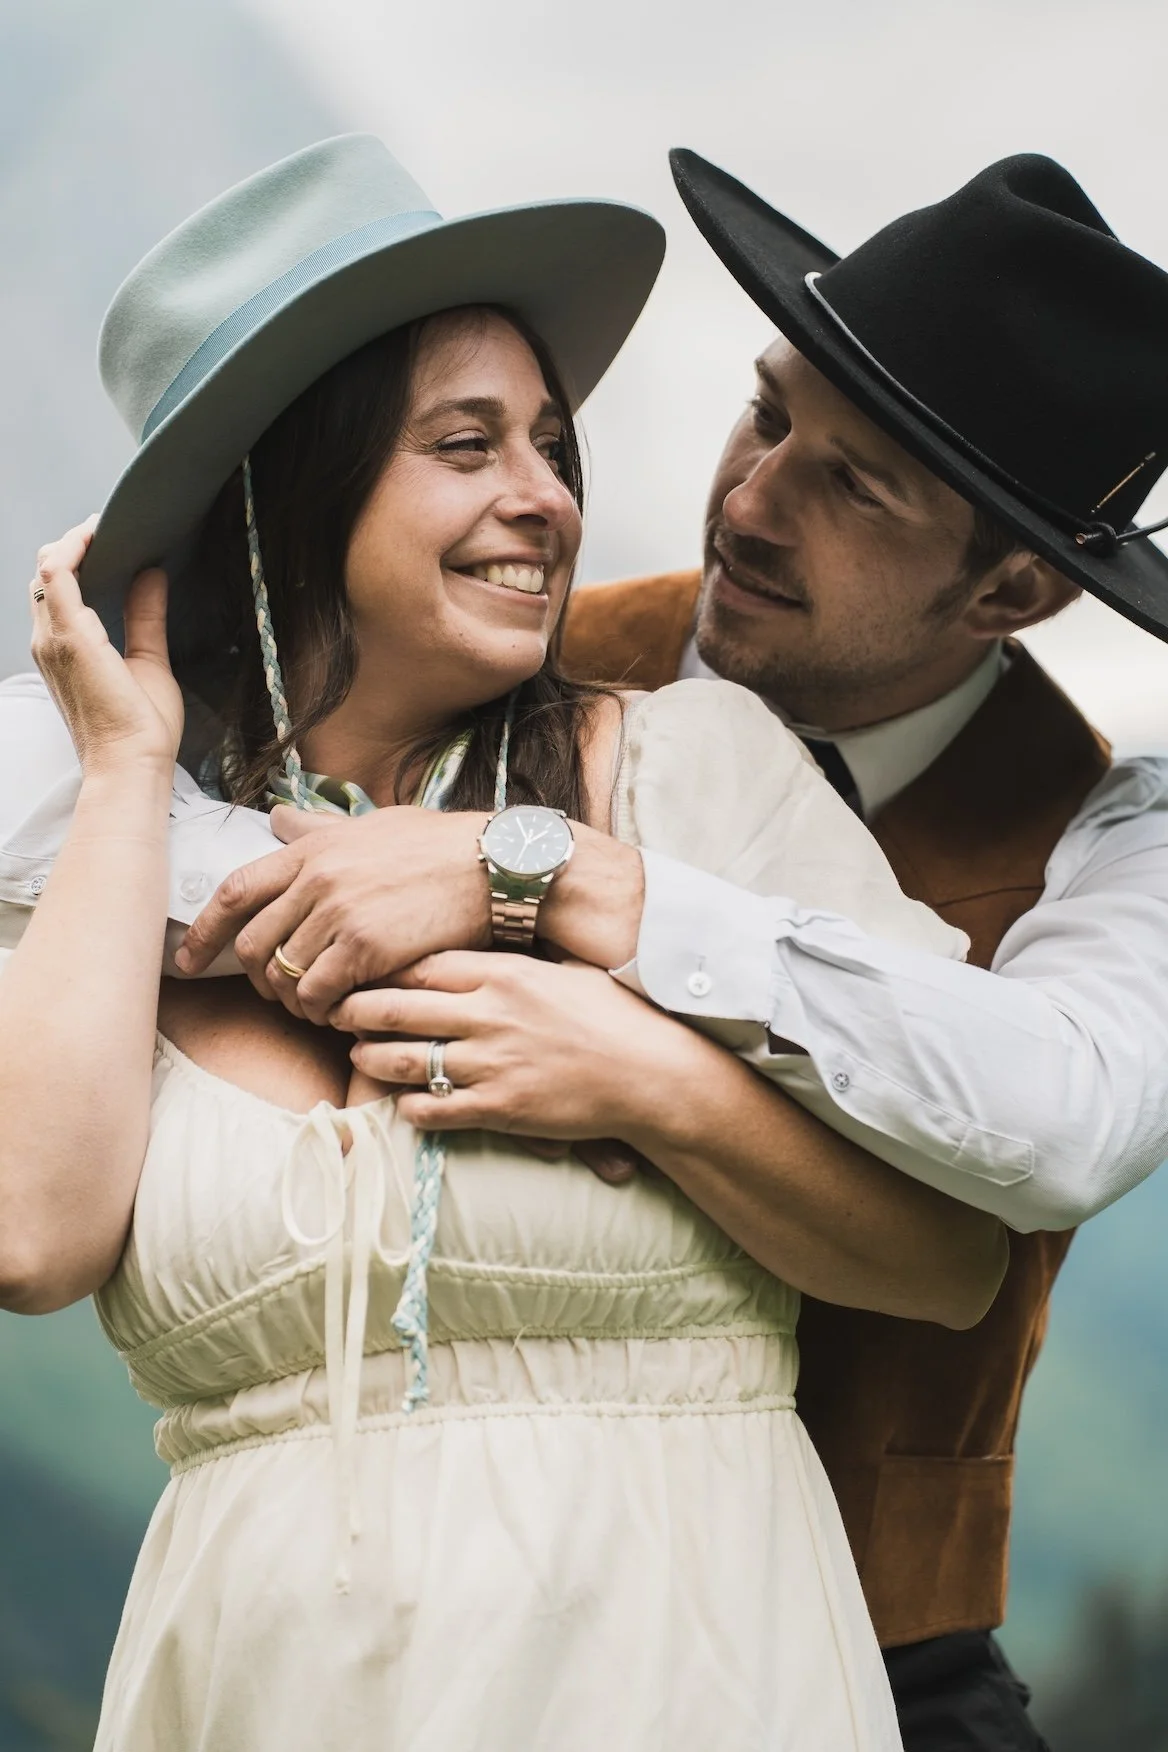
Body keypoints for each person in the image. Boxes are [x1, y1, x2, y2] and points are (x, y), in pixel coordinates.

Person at [0, 136, 1010, 1751]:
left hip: (688, 1662)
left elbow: (950, 1264)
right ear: (289, 481)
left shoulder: (696, 772)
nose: (546, 498)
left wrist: (645, 1080)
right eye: (466, 445)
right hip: (268, 1689)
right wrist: (129, 771)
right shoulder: (89, 853)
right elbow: (31, 1237)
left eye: (552, 444)